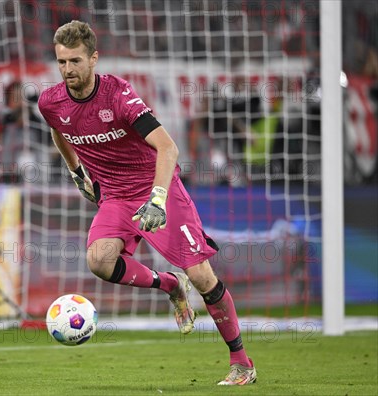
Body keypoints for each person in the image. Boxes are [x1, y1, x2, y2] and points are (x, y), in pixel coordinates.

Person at [37, 21, 257, 386]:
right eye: (61, 62)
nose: (68, 70)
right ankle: (169, 285)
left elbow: (168, 147)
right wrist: (77, 172)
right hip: (115, 195)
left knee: (202, 276)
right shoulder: (51, 101)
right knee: (99, 261)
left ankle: (242, 363)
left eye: (75, 61)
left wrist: (158, 198)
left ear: (94, 58)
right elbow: (58, 130)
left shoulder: (119, 96)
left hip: (156, 188)